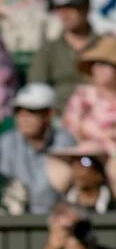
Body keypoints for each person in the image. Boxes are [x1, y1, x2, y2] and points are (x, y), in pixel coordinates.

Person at [0, 84, 75, 214]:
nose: (23, 117)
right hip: (15, 222)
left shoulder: (64, 141)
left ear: (49, 114)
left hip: (56, 219)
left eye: (31, 111)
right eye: (19, 111)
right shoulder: (7, 143)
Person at [29, 0, 97, 111]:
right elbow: (37, 86)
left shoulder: (104, 44)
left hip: (100, 113)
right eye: (60, 10)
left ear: (86, 9)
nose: (65, 15)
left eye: (71, 9)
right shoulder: (48, 49)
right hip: (59, 114)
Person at [62, 36, 116, 148]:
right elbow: (71, 129)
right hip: (85, 155)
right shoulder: (83, 94)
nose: (98, 68)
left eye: (105, 63)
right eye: (96, 63)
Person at [48, 143, 116, 213]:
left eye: (85, 162)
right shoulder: (61, 209)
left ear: (99, 174)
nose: (77, 169)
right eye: (73, 163)